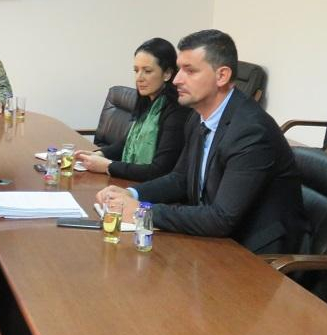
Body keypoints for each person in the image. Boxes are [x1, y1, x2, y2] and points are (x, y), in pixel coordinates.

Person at [96, 29, 307, 254]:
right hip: (215, 237)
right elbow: (180, 178)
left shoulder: (251, 132)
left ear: (222, 76)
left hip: (255, 252)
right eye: (179, 69)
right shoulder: (198, 117)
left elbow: (221, 218)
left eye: (190, 71)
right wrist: (132, 194)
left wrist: (141, 210)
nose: (177, 79)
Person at [75, 38, 192, 181]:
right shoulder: (148, 101)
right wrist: (99, 154)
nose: (139, 78)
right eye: (136, 70)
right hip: (130, 180)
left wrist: (108, 166)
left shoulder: (177, 111)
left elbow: (160, 170)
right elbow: (126, 143)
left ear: (167, 73)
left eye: (147, 71)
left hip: (151, 188)